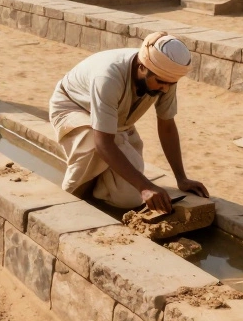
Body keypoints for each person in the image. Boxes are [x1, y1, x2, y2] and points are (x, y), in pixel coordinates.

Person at [48, 32, 208, 213]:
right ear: (141, 67)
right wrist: (145, 186)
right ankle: (72, 199)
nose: (165, 88)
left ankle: (98, 185)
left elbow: (167, 126)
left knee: (129, 197)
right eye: (160, 82)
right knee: (92, 147)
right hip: (74, 108)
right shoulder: (108, 77)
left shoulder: (166, 77)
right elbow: (103, 143)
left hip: (116, 122)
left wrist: (181, 178)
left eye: (170, 84)